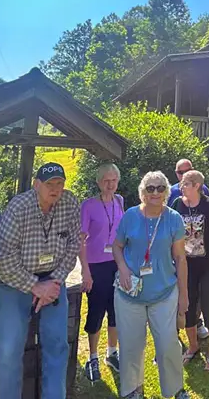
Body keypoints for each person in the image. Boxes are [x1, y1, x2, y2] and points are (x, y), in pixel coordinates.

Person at [0, 162, 81, 399]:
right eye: (49, 184)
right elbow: (3, 258)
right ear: (36, 185)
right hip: (15, 281)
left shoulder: (70, 203)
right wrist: (34, 286)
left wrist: (53, 283)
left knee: (58, 346)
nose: (55, 189)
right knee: (9, 350)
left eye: (59, 184)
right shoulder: (19, 207)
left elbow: (73, 245)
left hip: (53, 280)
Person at [112, 171, 190, 399]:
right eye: (150, 188)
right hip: (129, 294)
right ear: (142, 192)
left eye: (160, 188)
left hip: (164, 293)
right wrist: (123, 268)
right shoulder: (130, 216)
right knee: (130, 347)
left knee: (168, 345)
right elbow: (117, 246)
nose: (155, 192)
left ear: (166, 191)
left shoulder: (174, 218)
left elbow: (180, 258)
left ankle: (175, 390)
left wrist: (183, 295)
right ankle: (132, 391)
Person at [173, 170, 209, 372]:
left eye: (186, 183)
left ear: (197, 185)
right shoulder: (177, 205)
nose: (181, 186)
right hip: (186, 265)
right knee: (186, 303)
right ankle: (193, 346)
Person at [79, 163, 124, 382]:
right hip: (96, 266)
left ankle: (112, 353)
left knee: (116, 310)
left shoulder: (120, 201)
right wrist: (85, 271)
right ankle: (93, 357)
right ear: (98, 182)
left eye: (114, 180)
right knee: (96, 311)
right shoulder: (88, 205)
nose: (110, 184)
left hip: (116, 263)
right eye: (106, 180)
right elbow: (81, 240)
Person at [169, 158, 209, 340]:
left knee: (198, 290)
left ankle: (197, 321)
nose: (184, 175)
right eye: (180, 172)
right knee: (176, 290)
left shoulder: (205, 190)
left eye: (188, 170)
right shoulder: (171, 193)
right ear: (176, 174)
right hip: (178, 252)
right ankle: (173, 332)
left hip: (199, 252)